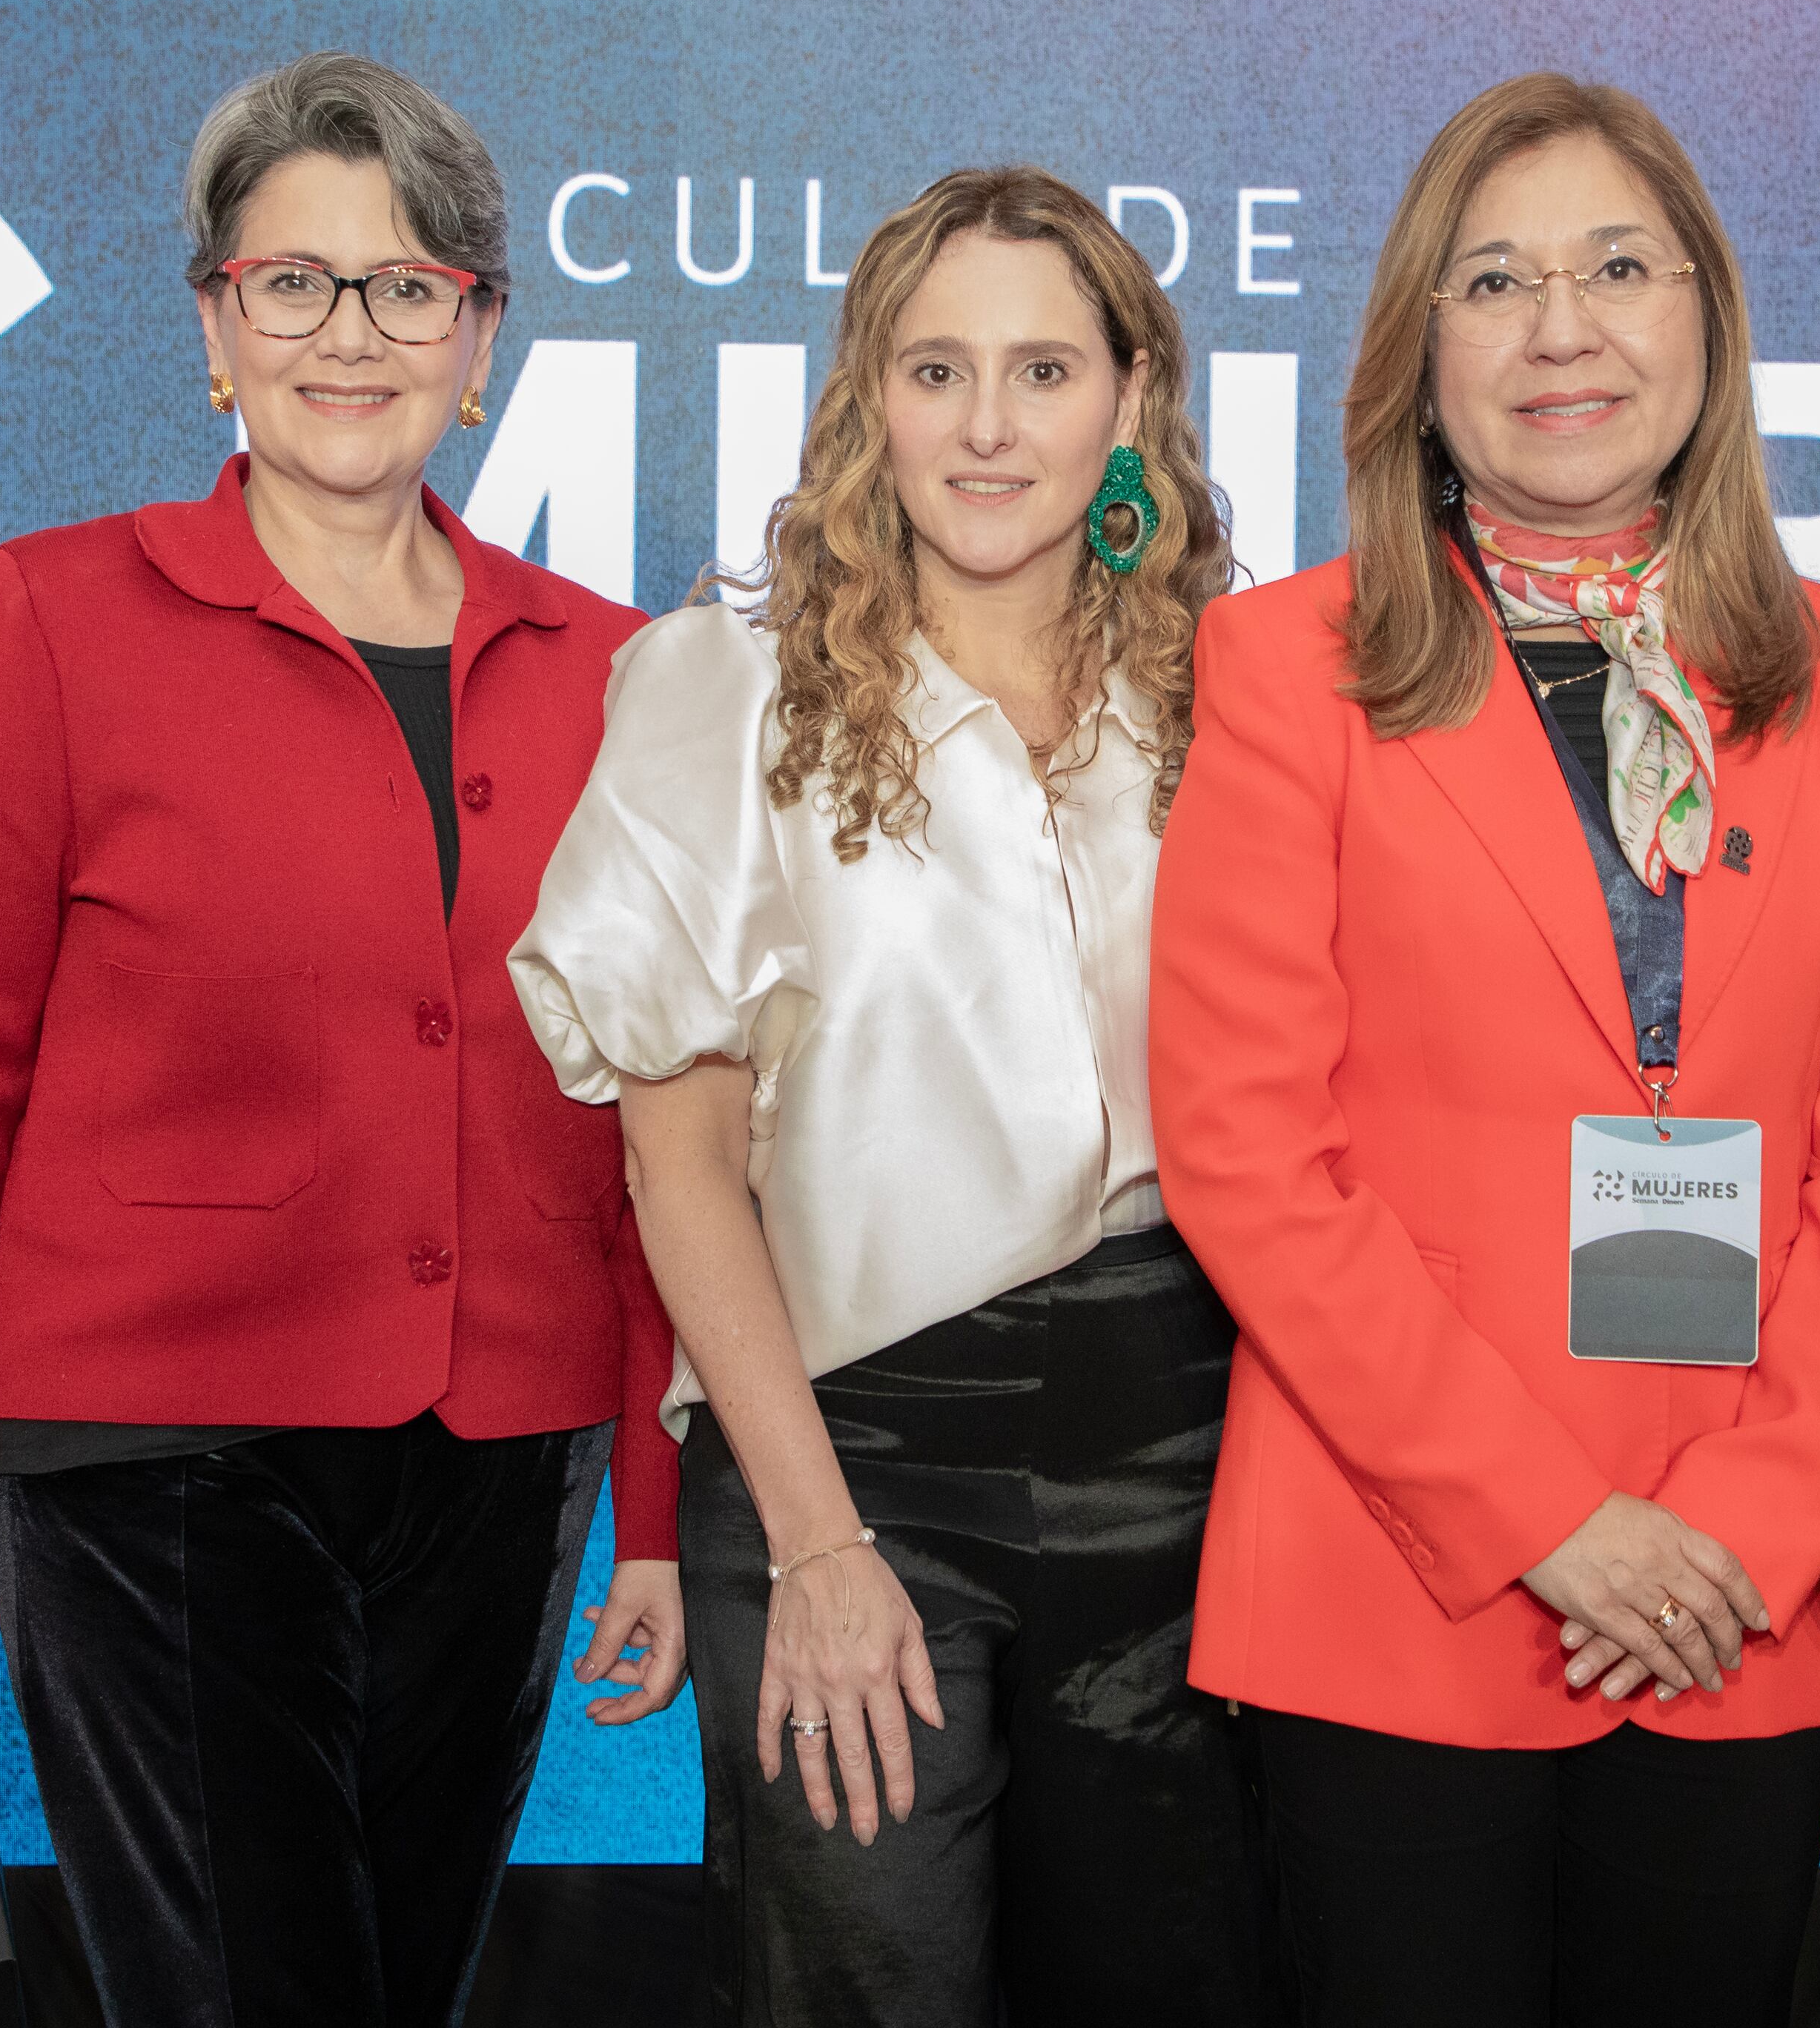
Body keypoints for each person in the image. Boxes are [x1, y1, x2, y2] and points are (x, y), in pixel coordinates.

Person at [0, 53, 684, 2028]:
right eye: (292, 284)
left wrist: (649, 1497)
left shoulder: (620, 673)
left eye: (408, 288)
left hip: (501, 1463)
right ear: (216, 324)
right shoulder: (45, 623)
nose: (348, 335)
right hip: (154, 1477)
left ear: (482, 337)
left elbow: (659, 1130)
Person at [1147, 73, 1820, 2025]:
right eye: (1493, 282)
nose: (1562, 327)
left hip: (1741, 1603)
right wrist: (1549, 1524)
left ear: (1709, 321)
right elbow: (1250, 1151)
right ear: (1421, 357)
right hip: (1399, 1578)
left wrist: (1747, 1530)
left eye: (1615, 267)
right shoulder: (1284, 669)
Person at [509, 167, 1271, 2027]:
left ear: (1131, 401)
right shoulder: (728, 690)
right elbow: (676, 1173)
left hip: (1189, 1457)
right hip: (852, 1460)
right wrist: (817, 1545)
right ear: (868, 401)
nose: (988, 425)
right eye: (936, 371)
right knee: (870, 1992)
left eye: (1040, 368)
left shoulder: (1231, 700)